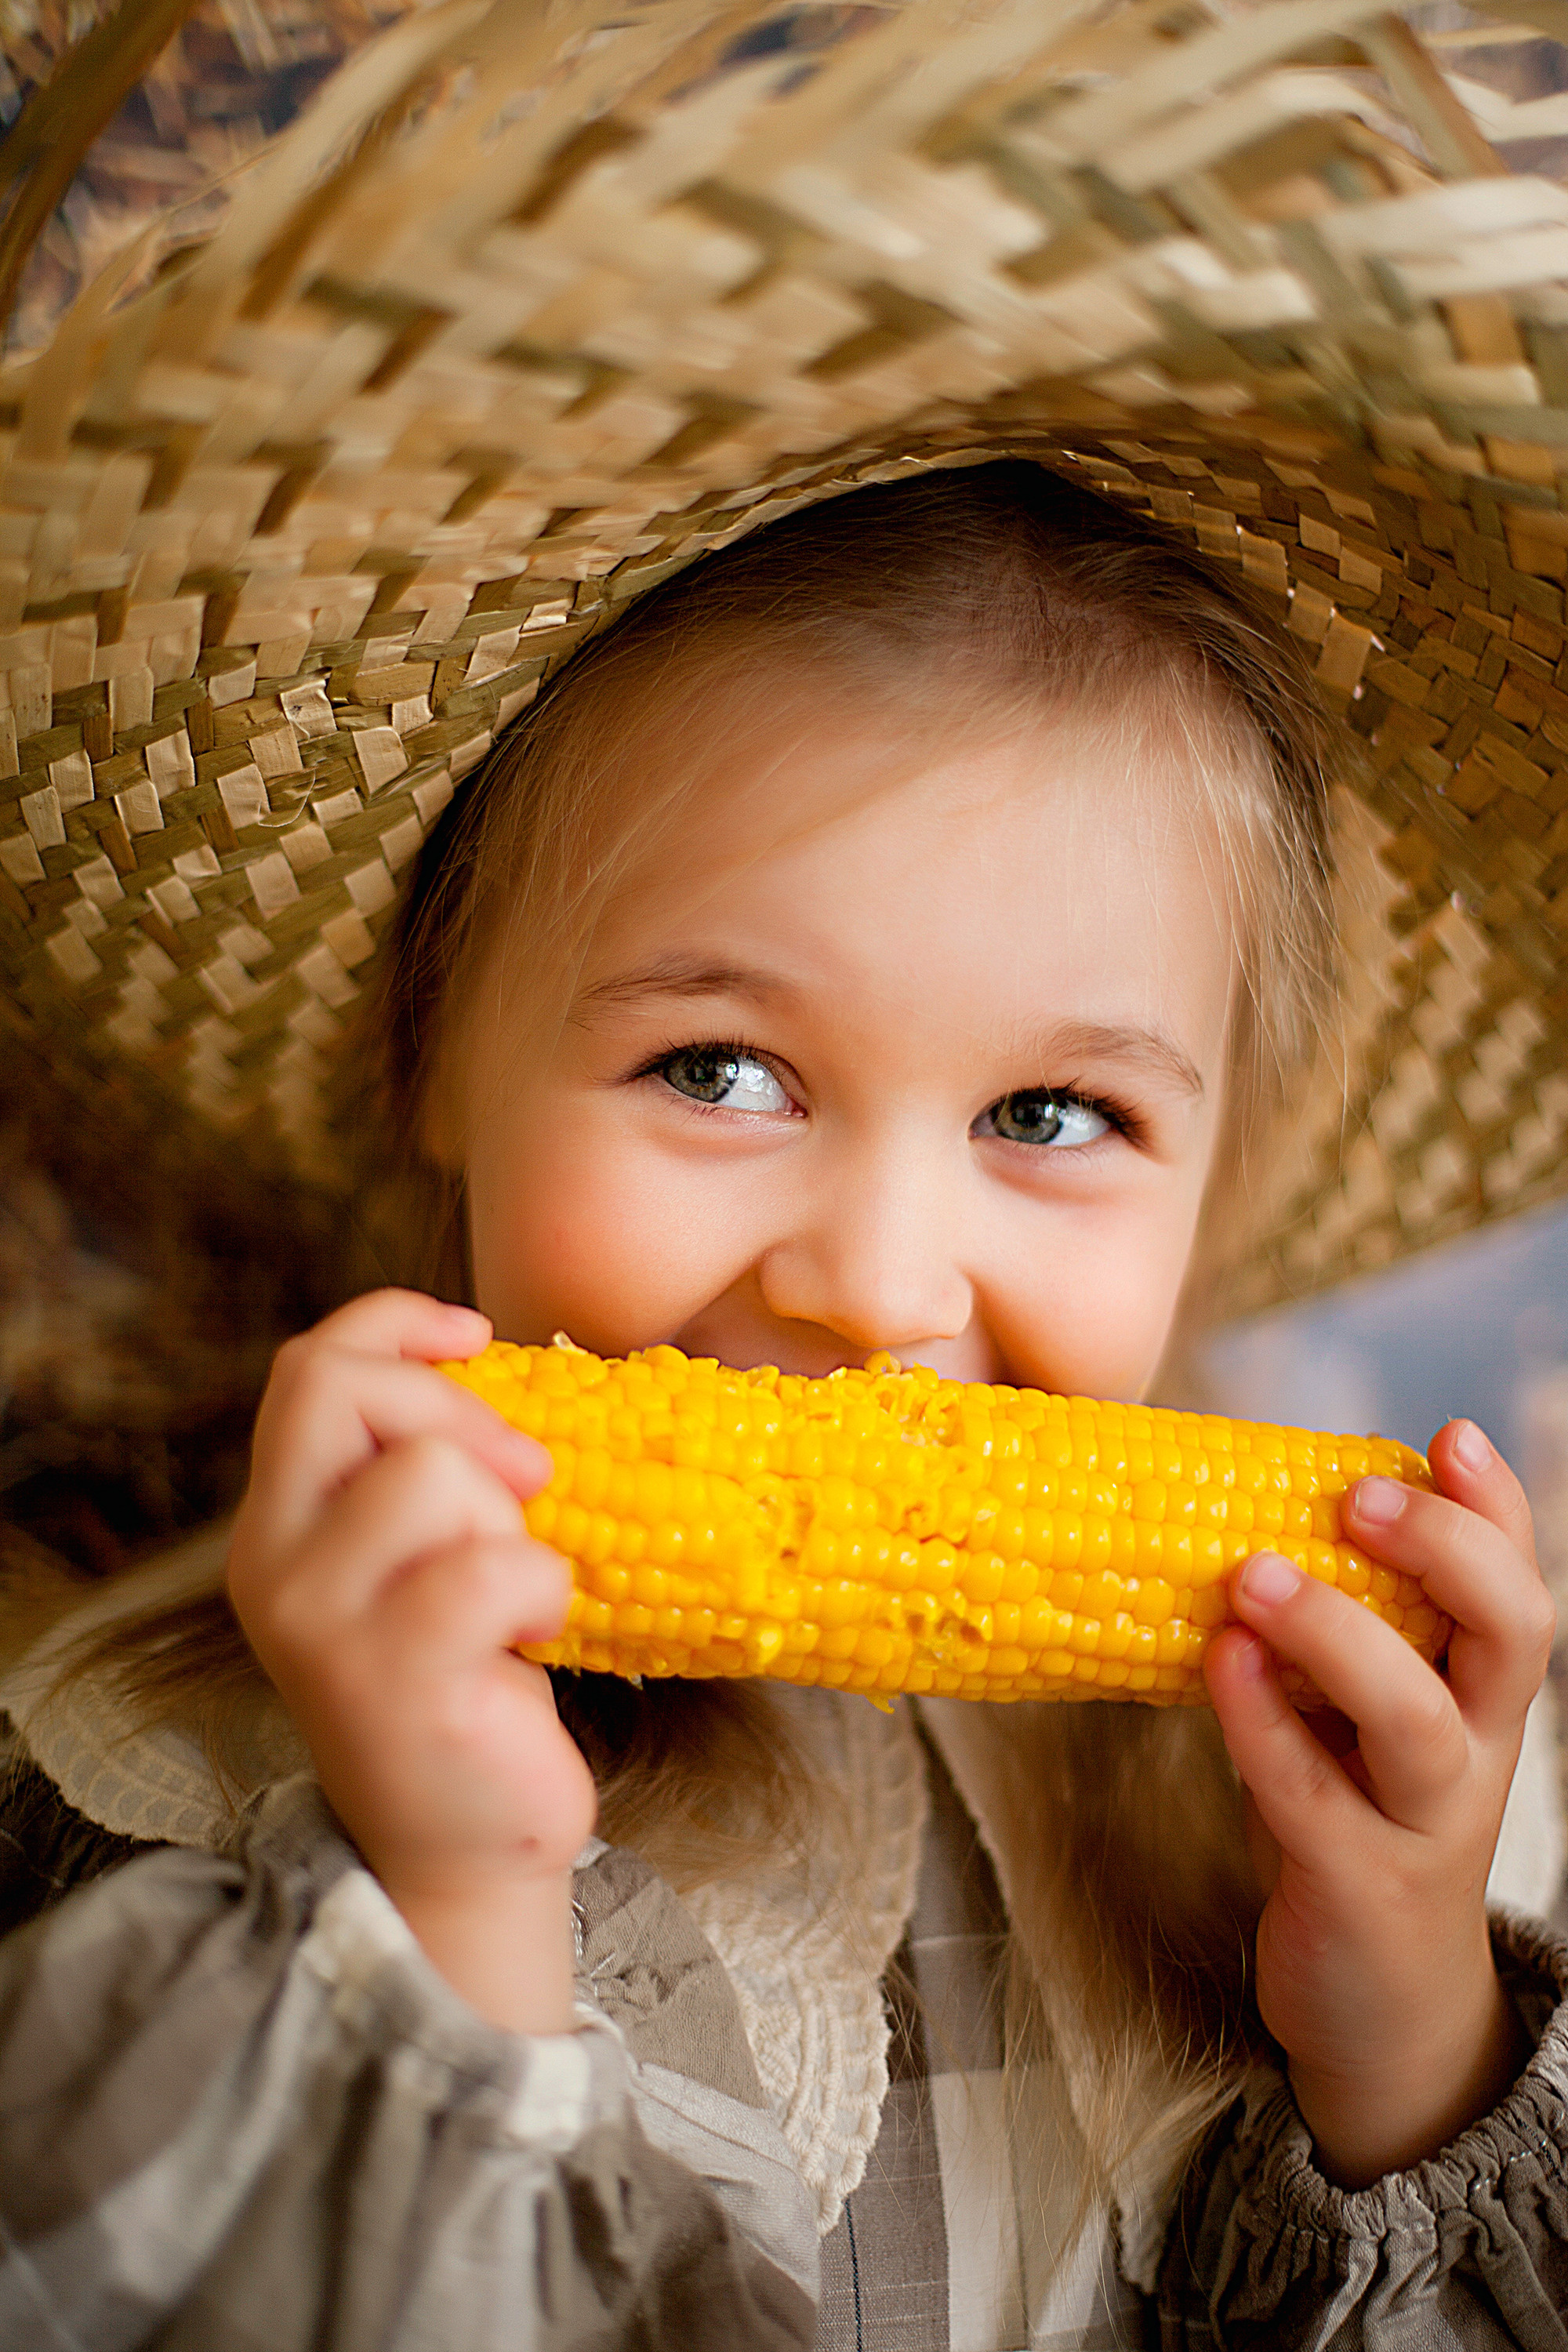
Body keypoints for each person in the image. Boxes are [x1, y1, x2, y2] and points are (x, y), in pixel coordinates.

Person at [2, 456, 1566, 2351]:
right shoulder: (170, 1770)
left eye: (1051, 1117)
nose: (881, 1285)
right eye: (720, 1069)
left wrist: (1404, 2021)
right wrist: (446, 1920)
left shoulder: (1386, 1812)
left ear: (1214, 1180)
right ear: (437, 1062)